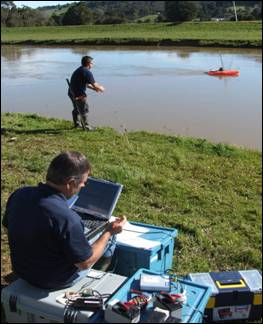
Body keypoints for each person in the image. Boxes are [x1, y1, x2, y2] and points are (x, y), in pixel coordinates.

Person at [2, 151, 126, 290]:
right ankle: (97, 282)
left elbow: (8, 228)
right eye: (83, 182)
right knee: (108, 239)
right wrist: (109, 231)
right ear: (70, 183)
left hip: (22, 271)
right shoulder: (68, 218)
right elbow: (84, 262)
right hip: (53, 280)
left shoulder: (20, 194)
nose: (84, 186)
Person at [68, 56, 105, 130]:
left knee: (76, 108)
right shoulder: (87, 72)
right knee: (84, 109)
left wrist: (94, 89)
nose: (92, 64)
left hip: (71, 92)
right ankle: (87, 127)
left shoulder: (80, 69)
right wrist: (101, 88)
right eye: (92, 63)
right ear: (88, 63)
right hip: (79, 94)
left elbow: (86, 84)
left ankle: (77, 124)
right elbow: (95, 85)